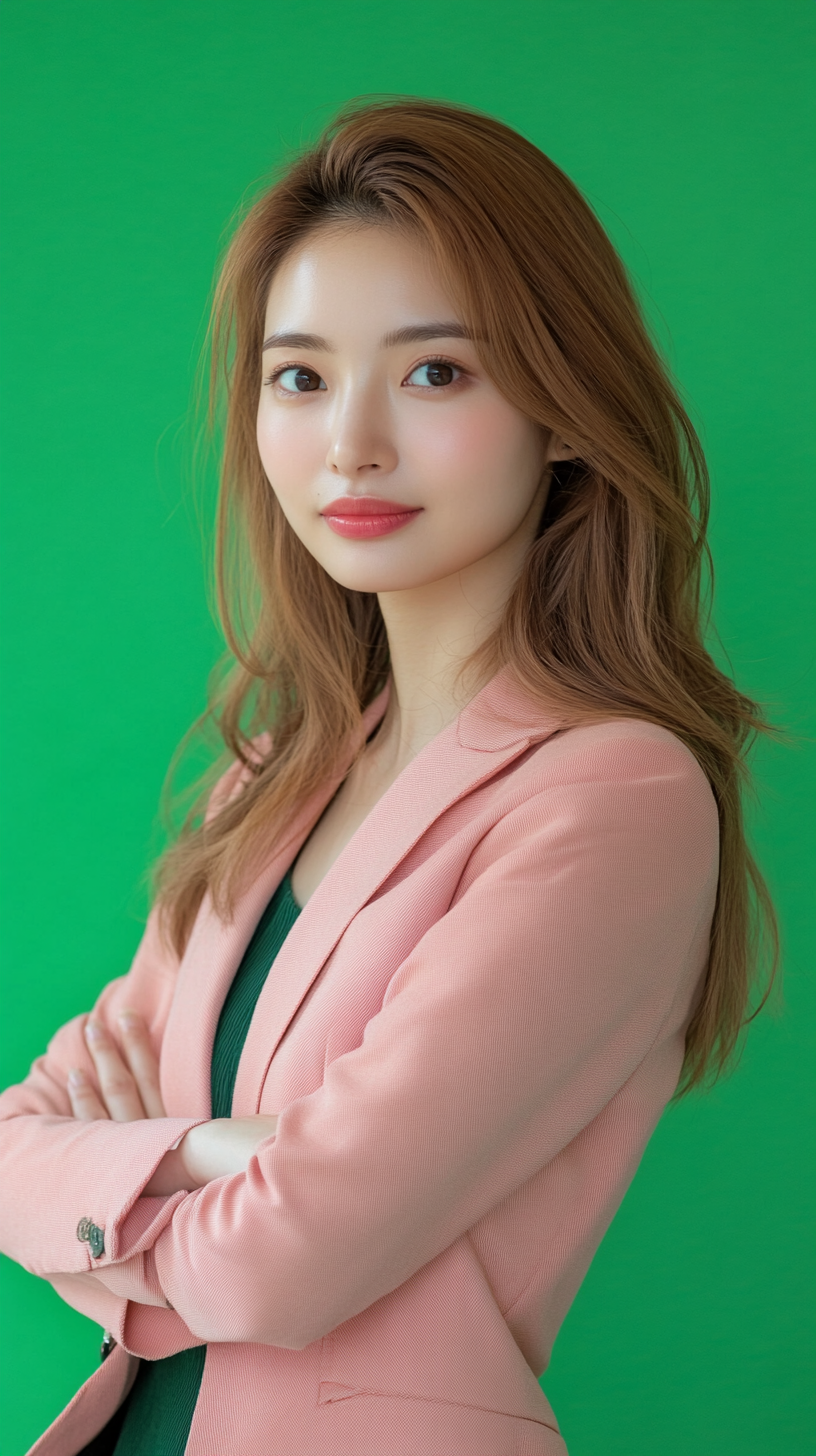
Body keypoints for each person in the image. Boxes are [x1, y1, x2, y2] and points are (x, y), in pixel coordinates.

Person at [0, 97, 778, 1456]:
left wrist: (127, 1181)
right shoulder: (274, 773)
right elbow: (14, 1140)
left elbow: (280, 1264)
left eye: (436, 374)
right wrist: (202, 1157)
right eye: (300, 377)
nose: (350, 442)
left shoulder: (613, 799)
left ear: (567, 410)